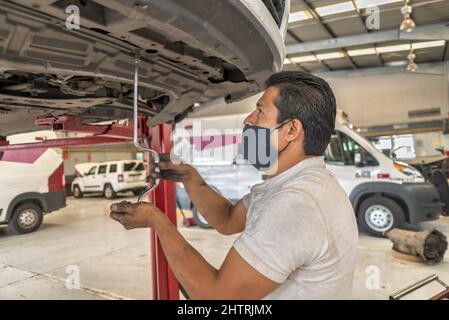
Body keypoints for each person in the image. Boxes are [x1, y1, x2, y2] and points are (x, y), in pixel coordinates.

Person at [110, 71, 358, 299]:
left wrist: (157, 221)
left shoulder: (297, 202)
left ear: (292, 130)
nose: (248, 120)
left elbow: (216, 298)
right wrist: (191, 178)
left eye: (260, 111)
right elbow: (227, 220)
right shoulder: (300, 182)